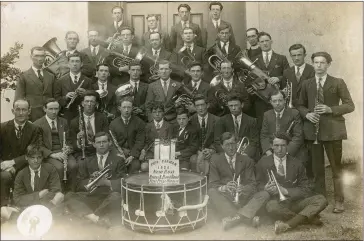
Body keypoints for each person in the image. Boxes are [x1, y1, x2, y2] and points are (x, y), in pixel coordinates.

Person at [297, 52, 355, 213]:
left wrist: (331, 109)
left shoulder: (337, 82)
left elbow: (350, 105)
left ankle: (339, 200)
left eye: (323, 62)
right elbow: (299, 105)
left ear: (328, 64)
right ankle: (320, 199)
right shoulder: (307, 83)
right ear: (313, 64)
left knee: (336, 168)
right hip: (313, 131)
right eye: (316, 62)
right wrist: (307, 114)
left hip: (333, 131)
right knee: (317, 169)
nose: (319, 66)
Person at [255, 133, 328, 234]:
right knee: (271, 206)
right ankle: (305, 219)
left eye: (283, 146)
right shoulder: (262, 162)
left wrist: (285, 190)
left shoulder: (297, 163)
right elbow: (257, 185)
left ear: (287, 146)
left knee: (321, 199)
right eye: (276, 146)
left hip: (295, 202)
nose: (280, 149)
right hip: (275, 202)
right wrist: (265, 188)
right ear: (271, 146)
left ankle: (289, 224)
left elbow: (305, 189)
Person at [208, 132, 269, 230]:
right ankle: (246, 218)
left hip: (244, 198)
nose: (231, 148)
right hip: (226, 198)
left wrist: (243, 188)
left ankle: (233, 219)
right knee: (211, 192)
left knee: (265, 194)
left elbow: (253, 184)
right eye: (228, 145)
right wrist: (224, 187)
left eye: (233, 144)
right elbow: (212, 184)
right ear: (222, 146)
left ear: (237, 144)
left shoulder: (247, 160)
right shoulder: (215, 160)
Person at [64, 132, 127, 228]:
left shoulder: (119, 160)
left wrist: (106, 182)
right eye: (98, 142)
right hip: (91, 196)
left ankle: (88, 215)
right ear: (94, 144)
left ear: (110, 143)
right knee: (69, 195)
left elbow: (123, 182)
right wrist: (91, 180)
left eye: (104, 142)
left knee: (117, 197)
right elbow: (78, 184)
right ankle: (96, 218)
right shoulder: (85, 161)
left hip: (107, 197)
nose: (101, 145)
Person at [1, 99, 42, 207]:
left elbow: (33, 153)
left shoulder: (35, 129)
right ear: (12, 111)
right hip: (4, 166)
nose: (21, 113)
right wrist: (4, 165)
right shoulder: (2, 128)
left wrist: (13, 163)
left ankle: (25, 207)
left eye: (24, 110)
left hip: (25, 164)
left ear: (29, 111)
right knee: (4, 176)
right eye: (17, 109)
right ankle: (4, 208)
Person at [33, 98, 78, 192]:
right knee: (59, 167)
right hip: (50, 154)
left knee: (73, 166)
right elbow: (38, 145)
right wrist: (52, 154)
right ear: (44, 109)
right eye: (51, 109)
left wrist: (68, 148)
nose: (54, 112)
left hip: (63, 152)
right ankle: (58, 192)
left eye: (56, 109)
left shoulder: (64, 122)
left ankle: (71, 192)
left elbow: (69, 140)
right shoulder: (37, 124)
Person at [248, 31, 290, 129]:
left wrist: (278, 78)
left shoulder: (281, 58)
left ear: (271, 41)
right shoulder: (253, 59)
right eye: (262, 41)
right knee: (262, 126)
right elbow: (250, 77)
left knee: (279, 125)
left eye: (267, 40)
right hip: (260, 99)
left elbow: (288, 75)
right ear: (258, 43)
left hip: (277, 98)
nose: (265, 43)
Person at [13, 144, 64, 211]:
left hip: (47, 205)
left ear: (42, 158)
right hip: (28, 206)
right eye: (32, 158)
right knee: (3, 210)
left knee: (59, 196)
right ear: (26, 157)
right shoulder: (21, 174)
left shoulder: (50, 169)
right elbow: (18, 199)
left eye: (39, 157)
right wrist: (38, 195)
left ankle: (45, 213)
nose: (36, 161)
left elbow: (56, 190)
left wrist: (41, 202)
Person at [260, 90, 306, 162]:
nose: (277, 103)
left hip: (290, 150)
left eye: (280, 100)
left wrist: (286, 153)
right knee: (262, 165)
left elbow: (298, 136)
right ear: (270, 102)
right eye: (274, 101)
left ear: (285, 100)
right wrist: (268, 151)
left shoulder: (294, 113)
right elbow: (264, 136)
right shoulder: (267, 114)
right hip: (272, 150)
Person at [14, 46, 56, 122]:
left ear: (45, 57)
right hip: (31, 117)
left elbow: (55, 96)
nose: (40, 58)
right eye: (36, 55)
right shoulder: (23, 76)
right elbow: (18, 100)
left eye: (42, 56)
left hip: (50, 116)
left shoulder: (51, 76)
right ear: (31, 57)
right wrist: (23, 118)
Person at [214, 93, 259, 161]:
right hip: (227, 155)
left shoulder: (252, 121)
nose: (233, 108)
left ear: (242, 105)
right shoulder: (221, 121)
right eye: (231, 106)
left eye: (236, 105)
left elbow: (254, 141)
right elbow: (217, 141)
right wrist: (227, 155)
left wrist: (246, 154)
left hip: (245, 156)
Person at [54, 53, 93, 124]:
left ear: (81, 64)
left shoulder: (88, 81)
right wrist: (66, 97)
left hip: (84, 114)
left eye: (77, 61)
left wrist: (86, 93)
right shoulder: (60, 81)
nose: (74, 64)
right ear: (68, 64)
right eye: (72, 61)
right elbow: (56, 99)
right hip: (66, 115)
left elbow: (93, 97)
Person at [69, 91, 109, 162]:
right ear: (82, 104)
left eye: (92, 102)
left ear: (96, 104)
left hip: (99, 150)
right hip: (82, 153)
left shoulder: (103, 118)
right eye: (87, 101)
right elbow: (73, 145)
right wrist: (78, 139)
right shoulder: (74, 122)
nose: (89, 104)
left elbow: (106, 136)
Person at [109, 96, 145, 174]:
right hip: (118, 155)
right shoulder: (113, 124)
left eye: (129, 107)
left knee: (135, 166)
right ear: (119, 108)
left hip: (133, 155)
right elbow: (112, 142)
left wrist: (132, 156)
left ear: (132, 108)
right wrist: (119, 155)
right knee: (116, 167)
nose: (126, 110)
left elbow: (140, 141)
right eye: (124, 107)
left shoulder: (139, 122)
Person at [189, 94, 219, 175]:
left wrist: (211, 150)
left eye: (202, 105)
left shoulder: (217, 120)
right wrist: (198, 151)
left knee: (214, 160)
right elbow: (189, 141)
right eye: (197, 106)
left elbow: (219, 139)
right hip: (196, 152)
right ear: (194, 107)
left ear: (208, 105)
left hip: (212, 151)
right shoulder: (190, 121)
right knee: (193, 159)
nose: (200, 108)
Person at [139, 101, 173, 172]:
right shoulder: (147, 126)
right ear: (151, 113)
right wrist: (143, 150)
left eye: (159, 111)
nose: (157, 114)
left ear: (163, 112)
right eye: (154, 112)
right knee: (144, 167)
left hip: (165, 154)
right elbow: (146, 142)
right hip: (151, 154)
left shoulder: (169, 126)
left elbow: (171, 142)